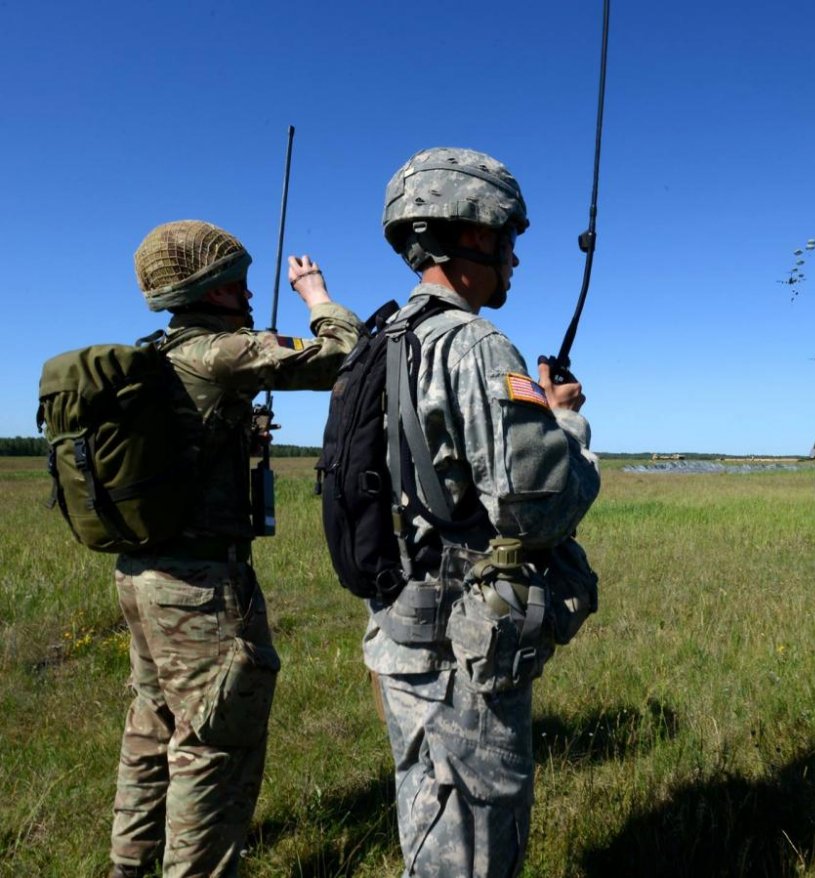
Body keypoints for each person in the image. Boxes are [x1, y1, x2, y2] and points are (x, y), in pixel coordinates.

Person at [349, 146, 599, 876]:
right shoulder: (477, 345)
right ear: (472, 235)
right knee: (473, 850)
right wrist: (569, 425)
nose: (515, 259)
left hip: (400, 628)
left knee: (426, 816)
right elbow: (540, 507)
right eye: (508, 240)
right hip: (461, 651)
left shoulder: (388, 337)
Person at [111, 220, 362, 878]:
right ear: (212, 289)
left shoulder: (160, 355)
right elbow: (343, 352)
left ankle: (129, 866)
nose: (249, 294)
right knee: (214, 748)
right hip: (198, 589)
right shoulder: (220, 354)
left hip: (143, 577)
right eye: (238, 282)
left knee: (152, 730)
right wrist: (317, 296)